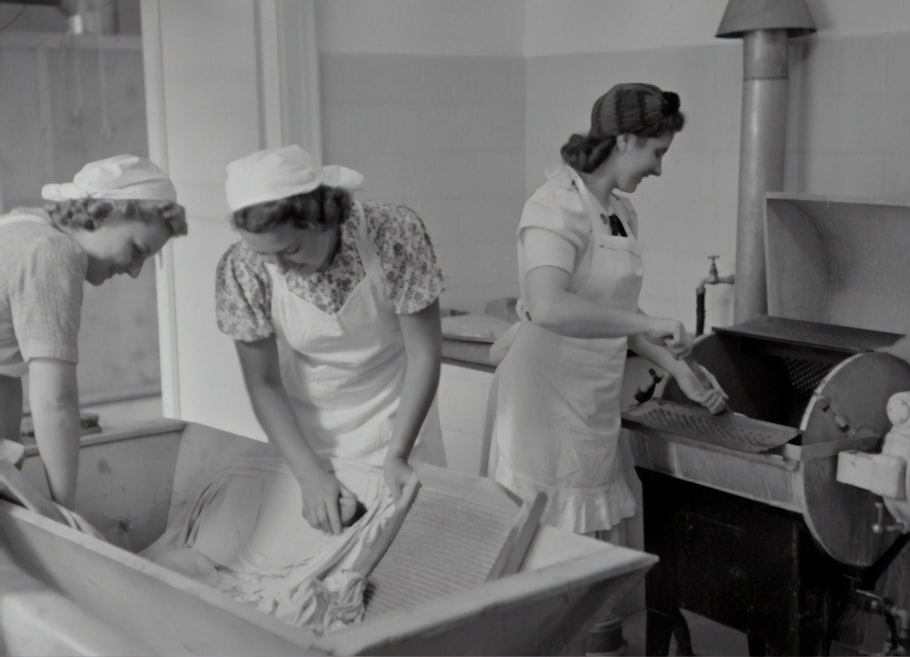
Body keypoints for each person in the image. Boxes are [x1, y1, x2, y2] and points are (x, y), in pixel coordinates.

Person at [144, 145, 445, 633]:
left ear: (323, 218)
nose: (278, 267)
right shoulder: (243, 267)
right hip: (308, 433)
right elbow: (263, 382)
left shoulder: (393, 234)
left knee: (398, 587)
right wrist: (308, 473)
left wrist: (398, 454)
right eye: (266, 255)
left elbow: (425, 354)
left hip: (399, 415)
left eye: (289, 251)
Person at [492, 82, 727, 539]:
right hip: (542, 405)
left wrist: (680, 370)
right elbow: (548, 307)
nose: (659, 169)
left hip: (591, 402)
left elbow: (618, 314)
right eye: (657, 153)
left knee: (588, 554)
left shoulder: (619, 212)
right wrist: (651, 322)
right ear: (624, 141)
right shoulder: (555, 204)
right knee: (545, 552)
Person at [0, 154, 187, 510]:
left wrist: (13, 478)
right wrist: (64, 512)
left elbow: (4, 377)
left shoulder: (21, 226)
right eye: (137, 251)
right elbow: (56, 403)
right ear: (102, 213)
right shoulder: (53, 252)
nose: (134, 272)